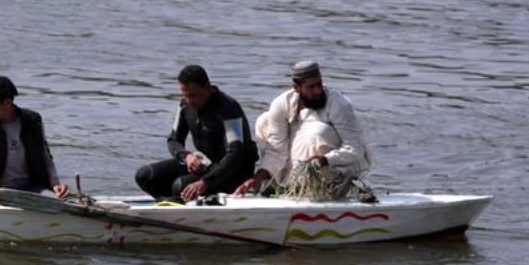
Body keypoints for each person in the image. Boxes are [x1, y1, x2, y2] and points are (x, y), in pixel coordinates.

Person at [234, 61, 372, 195]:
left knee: (315, 132)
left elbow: (355, 149)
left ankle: (319, 188)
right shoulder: (282, 104)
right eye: (311, 87)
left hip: (341, 165)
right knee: (264, 121)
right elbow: (276, 150)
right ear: (297, 88)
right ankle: (284, 185)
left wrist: (325, 160)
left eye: (319, 84)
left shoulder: (339, 104)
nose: (318, 91)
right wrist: (258, 178)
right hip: (298, 165)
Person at [134, 64, 258, 202]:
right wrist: (187, 156)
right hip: (205, 166)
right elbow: (173, 140)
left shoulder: (228, 108)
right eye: (185, 95)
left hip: (234, 173)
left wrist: (205, 182)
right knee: (145, 176)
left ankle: (179, 208)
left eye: (193, 95)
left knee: (180, 186)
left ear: (207, 87)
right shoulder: (186, 105)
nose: (189, 101)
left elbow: (235, 153)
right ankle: (171, 205)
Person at [0, 76, 70, 205]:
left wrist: (56, 184)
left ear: (8, 102)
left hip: (30, 189)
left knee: (58, 203)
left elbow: (45, 158)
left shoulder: (33, 121)